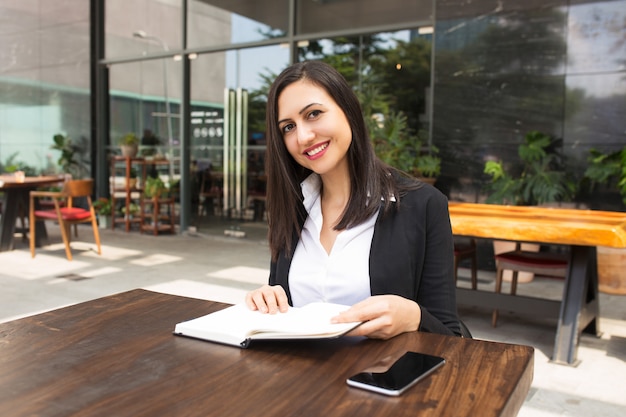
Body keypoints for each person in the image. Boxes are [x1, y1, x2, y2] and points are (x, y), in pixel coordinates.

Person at [245, 61, 461, 338]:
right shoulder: (292, 208)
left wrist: (415, 317)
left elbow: (450, 335)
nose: (303, 136)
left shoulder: (423, 205)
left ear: (348, 110)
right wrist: (268, 299)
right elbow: (285, 309)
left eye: (313, 114)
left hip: (379, 377)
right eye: (288, 127)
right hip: (299, 377)